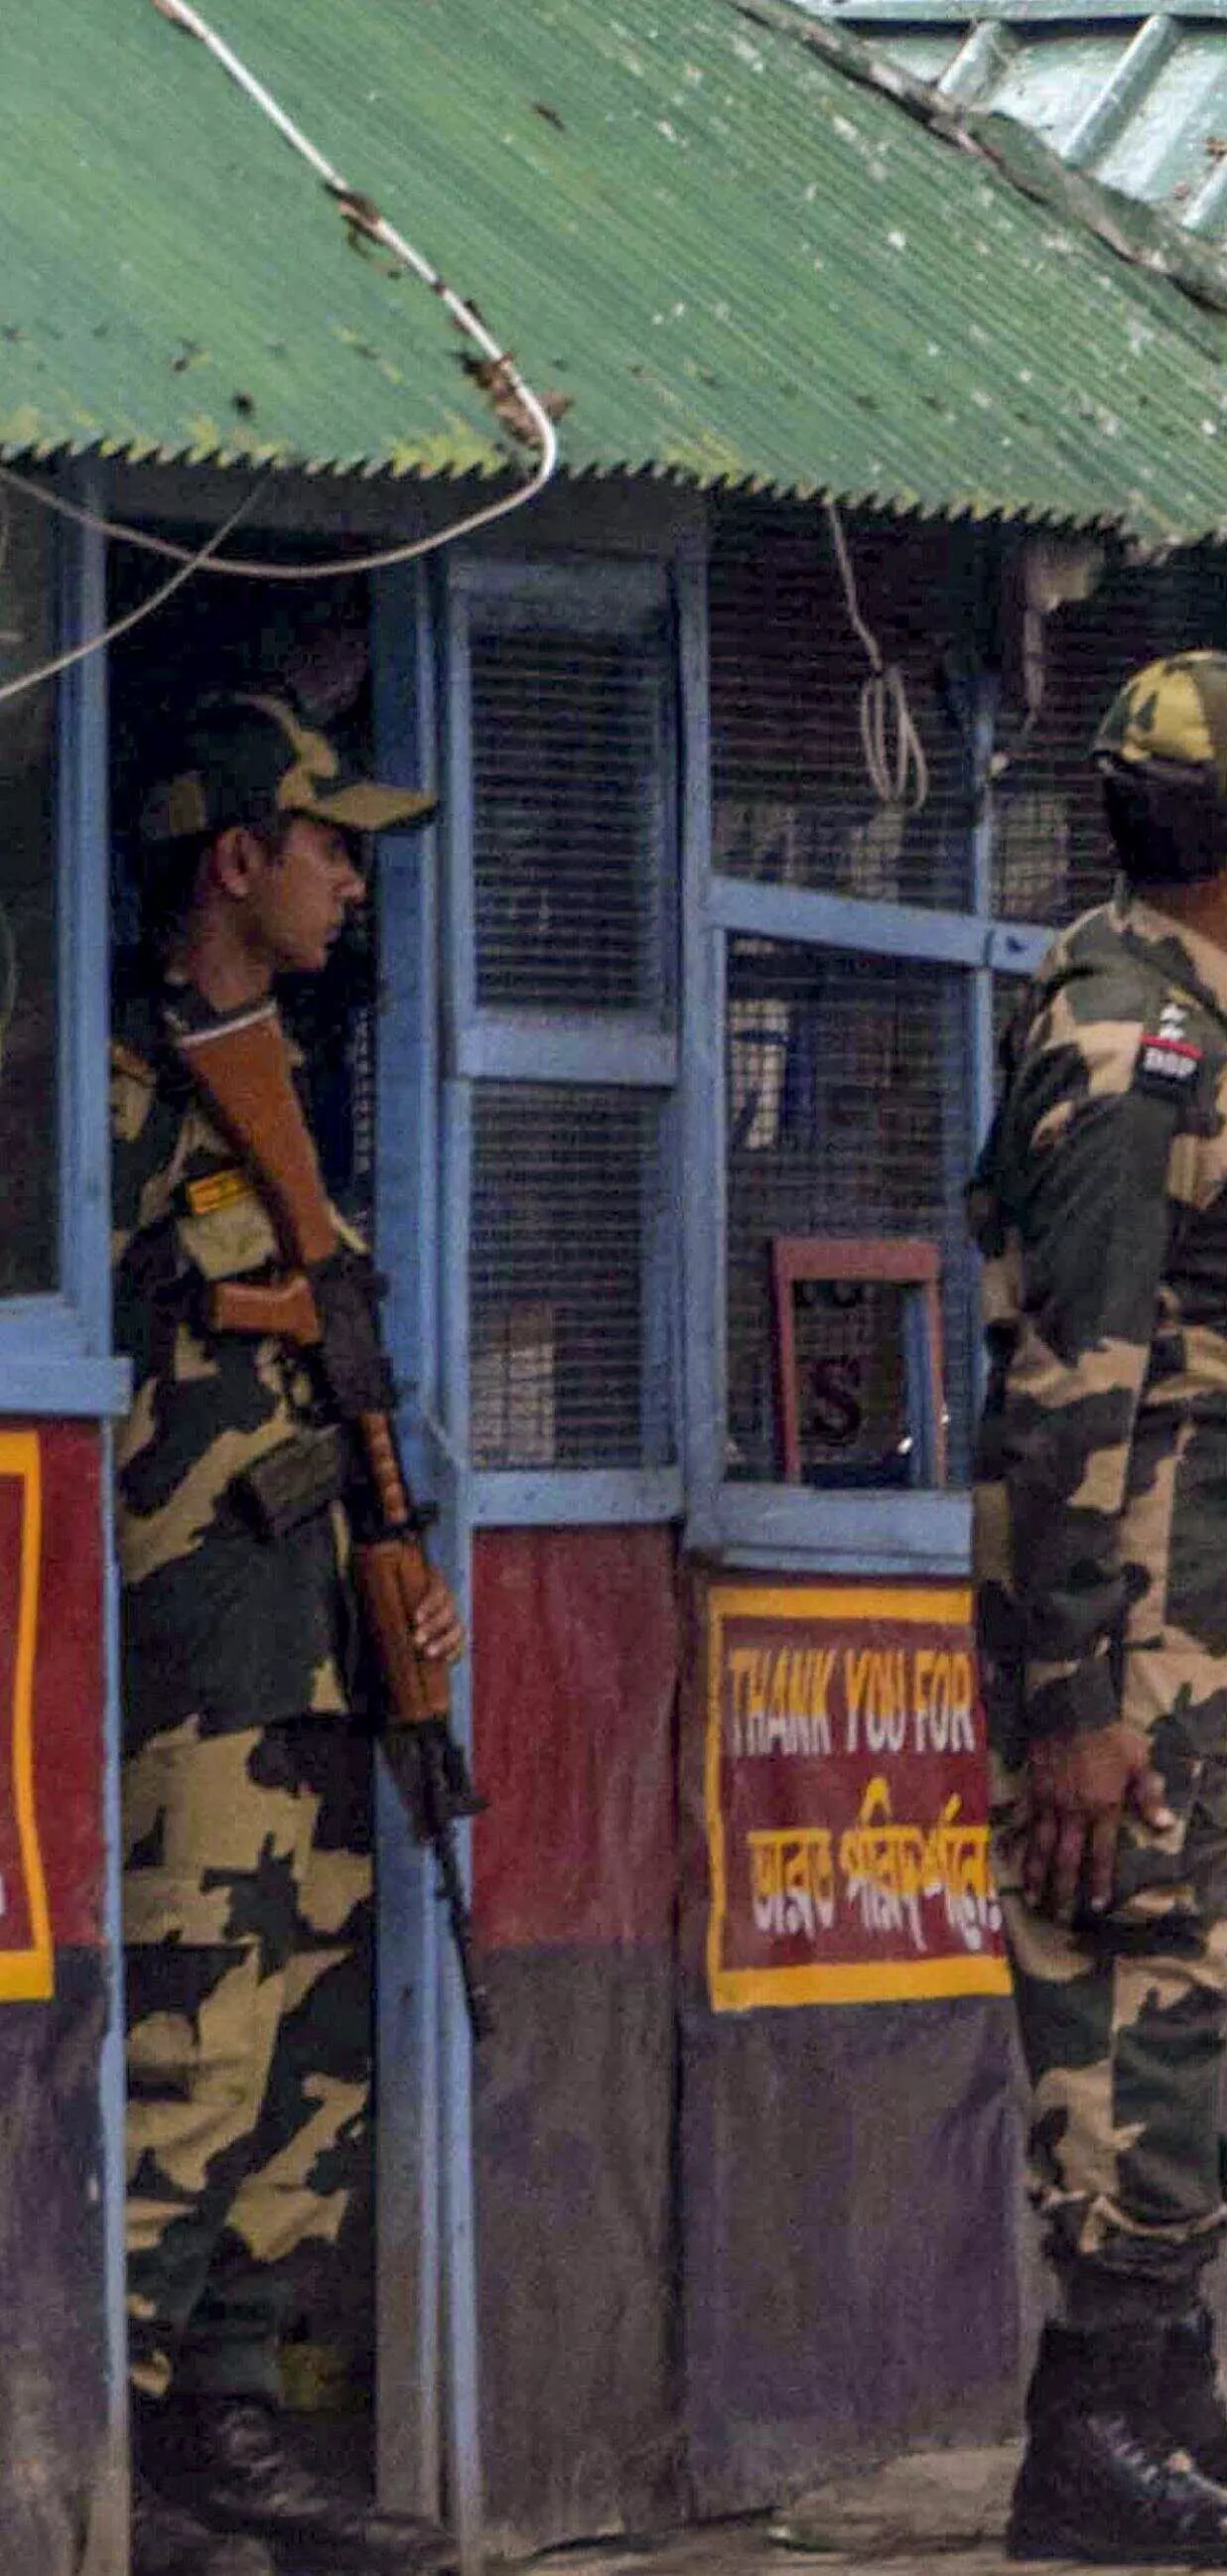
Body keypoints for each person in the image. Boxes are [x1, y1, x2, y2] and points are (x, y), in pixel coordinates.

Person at [974, 653, 1227, 2563]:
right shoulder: (1121, 1054)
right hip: (1130, 1638)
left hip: (1205, 1631)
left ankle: (1162, 2388)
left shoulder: (1224, 1026)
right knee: (1120, 1995)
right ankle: (1089, 2435)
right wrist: (1074, 1694)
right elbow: (1073, 1380)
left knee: (1179, 1989)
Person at [109, 693, 465, 2576]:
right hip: (196, 1639)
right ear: (235, 861)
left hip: (314, 1633)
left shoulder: (295, 1072)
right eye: (326, 840)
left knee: (305, 2046)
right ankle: (136, 2441)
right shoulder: (119, 1084)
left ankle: (237, 2419)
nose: (351, 874)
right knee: (200, 2043)